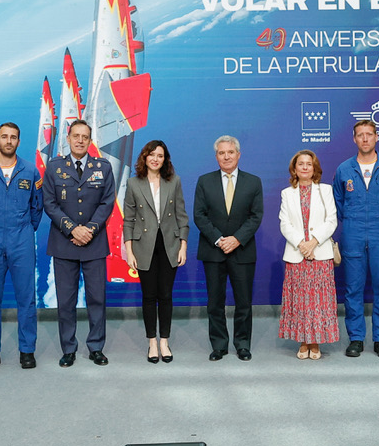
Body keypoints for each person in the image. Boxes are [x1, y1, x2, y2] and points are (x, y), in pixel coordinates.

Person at [42, 119, 117, 367]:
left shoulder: (103, 167)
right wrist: (73, 229)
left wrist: (90, 230)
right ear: (68, 137)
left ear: (90, 139)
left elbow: (107, 203)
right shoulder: (54, 167)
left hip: (94, 244)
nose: (80, 140)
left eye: (85, 136)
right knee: (65, 300)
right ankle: (69, 349)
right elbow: (50, 204)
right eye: (76, 136)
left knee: (97, 298)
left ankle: (96, 347)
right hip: (64, 243)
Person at [0, 122, 44, 370]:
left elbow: (37, 207)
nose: (9, 141)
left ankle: (27, 350)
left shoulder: (30, 171)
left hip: (22, 238)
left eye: (13, 137)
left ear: (19, 141)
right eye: (4, 137)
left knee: (27, 298)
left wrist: (23, 228)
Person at [332, 119, 379, 358]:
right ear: (354, 139)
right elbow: (338, 204)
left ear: (376, 138)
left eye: (369, 134)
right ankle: (356, 338)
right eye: (360, 135)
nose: (365, 139)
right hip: (352, 231)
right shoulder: (344, 169)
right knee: (353, 289)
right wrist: (353, 220)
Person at [194, 135, 264, 361]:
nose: (226, 156)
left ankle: (242, 344)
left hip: (242, 250)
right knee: (215, 302)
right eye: (221, 153)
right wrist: (219, 239)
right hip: (213, 250)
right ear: (216, 156)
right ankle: (219, 345)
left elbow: (256, 216)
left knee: (243, 302)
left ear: (238, 154)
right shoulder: (204, 181)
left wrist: (236, 239)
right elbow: (199, 215)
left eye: (230, 152)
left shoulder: (253, 182)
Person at [121, 140, 190, 363]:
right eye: (151, 155)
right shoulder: (133, 183)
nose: (155, 159)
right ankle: (152, 341)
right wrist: (129, 251)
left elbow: (182, 216)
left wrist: (183, 245)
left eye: (160, 156)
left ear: (165, 159)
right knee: (149, 296)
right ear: (144, 157)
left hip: (169, 246)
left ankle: (164, 342)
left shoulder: (174, 182)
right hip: (143, 247)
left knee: (166, 295)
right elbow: (128, 220)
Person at [278, 150, 339, 359]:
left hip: (320, 253)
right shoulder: (287, 193)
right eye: (301, 164)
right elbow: (284, 223)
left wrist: (313, 243)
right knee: (301, 301)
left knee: (318, 301)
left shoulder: (326, 190)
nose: (305, 167)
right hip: (297, 254)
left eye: (309, 164)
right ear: (294, 169)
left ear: (315, 169)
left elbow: (331, 220)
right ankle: (303, 341)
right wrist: (301, 244)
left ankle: (315, 342)